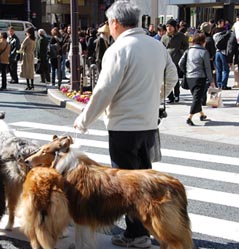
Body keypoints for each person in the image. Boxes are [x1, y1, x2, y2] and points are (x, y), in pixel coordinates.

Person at [73, 1, 177, 247]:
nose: (109, 27)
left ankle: (136, 235)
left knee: (128, 186)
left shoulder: (119, 49)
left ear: (116, 22)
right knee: (144, 179)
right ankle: (145, 227)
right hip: (149, 123)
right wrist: (157, 96)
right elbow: (172, 75)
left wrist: (84, 120)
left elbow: (104, 90)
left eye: (109, 23)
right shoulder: (156, 44)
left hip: (123, 126)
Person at [179, 32, 215, 126]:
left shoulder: (188, 50)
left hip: (189, 77)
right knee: (196, 98)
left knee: (196, 97)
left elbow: (180, 63)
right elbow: (207, 68)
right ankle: (189, 117)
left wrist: (186, 71)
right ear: (203, 42)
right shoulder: (204, 52)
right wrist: (211, 81)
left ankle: (202, 114)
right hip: (200, 77)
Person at [161, 18, 189, 103]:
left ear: (174, 27)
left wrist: (181, 52)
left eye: (170, 26)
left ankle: (177, 95)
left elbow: (186, 46)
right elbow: (161, 47)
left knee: (175, 79)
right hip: (166, 60)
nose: (168, 28)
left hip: (177, 60)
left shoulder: (180, 36)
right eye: (167, 26)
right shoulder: (164, 37)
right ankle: (170, 96)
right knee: (166, 79)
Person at [212, 19, 231, 90]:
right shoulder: (225, 32)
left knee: (218, 69)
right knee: (226, 69)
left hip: (217, 52)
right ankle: (224, 85)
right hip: (223, 52)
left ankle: (219, 84)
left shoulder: (214, 32)